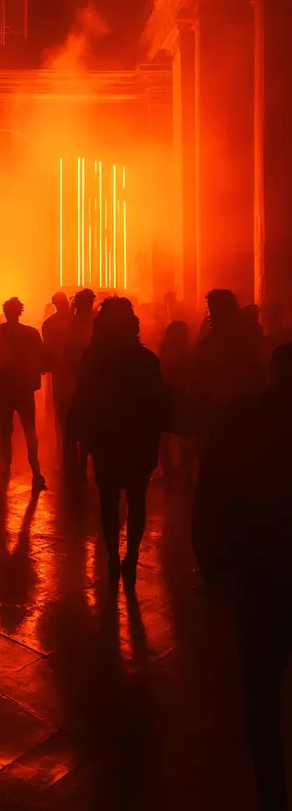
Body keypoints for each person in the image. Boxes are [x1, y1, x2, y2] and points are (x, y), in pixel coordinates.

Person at [193, 343, 292, 811]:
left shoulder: (240, 419)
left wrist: (214, 564)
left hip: (260, 574)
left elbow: (209, 494)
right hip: (263, 569)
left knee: (261, 692)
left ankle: (271, 792)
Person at [69, 297, 170, 584]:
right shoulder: (147, 359)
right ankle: (131, 556)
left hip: (107, 438)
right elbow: (160, 401)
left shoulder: (93, 358)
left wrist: (78, 432)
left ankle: (113, 555)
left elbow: (83, 396)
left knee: (108, 500)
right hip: (140, 439)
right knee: (137, 500)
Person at [0, 297, 47, 496]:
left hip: (3, 388)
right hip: (24, 389)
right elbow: (42, 359)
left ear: (5, 312)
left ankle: (6, 468)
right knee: (30, 430)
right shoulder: (31, 333)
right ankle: (36, 473)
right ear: (20, 312)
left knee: (5, 430)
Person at [192, 289, 266, 441]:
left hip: (237, 410)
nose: (210, 314)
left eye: (212, 309)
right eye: (209, 309)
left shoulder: (242, 338)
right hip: (217, 410)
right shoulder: (214, 338)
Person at [62, 288, 96, 476]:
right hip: (85, 381)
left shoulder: (75, 324)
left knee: (79, 423)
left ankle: (79, 464)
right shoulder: (95, 322)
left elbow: (68, 355)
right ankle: (81, 463)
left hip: (83, 381)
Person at [158, 320, 193, 488]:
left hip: (173, 396)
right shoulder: (187, 351)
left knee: (170, 438)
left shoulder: (170, 350)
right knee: (180, 438)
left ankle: (174, 474)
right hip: (179, 397)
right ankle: (181, 474)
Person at [42, 291, 72, 454]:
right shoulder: (78, 321)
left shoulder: (49, 324)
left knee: (62, 412)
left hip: (61, 374)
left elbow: (46, 351)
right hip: (72, 373)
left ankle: (65, 451)